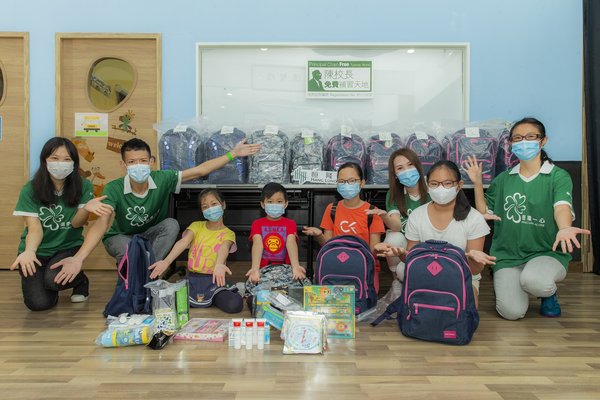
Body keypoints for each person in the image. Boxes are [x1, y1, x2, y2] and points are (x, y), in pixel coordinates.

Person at [49, 137, 261, 281]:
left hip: (150, 236)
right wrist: (79, 258)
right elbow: (101, 223)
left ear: (151, 162)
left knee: (171, 224)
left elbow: (200, 170)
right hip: (121, 237)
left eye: (143, 160)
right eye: (132, 162)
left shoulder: (162, 178)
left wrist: (233, 154)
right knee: (130, 249)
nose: (138, 165)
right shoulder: (113, 188)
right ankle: (141, 278)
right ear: (123, 165)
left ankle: (146, 274)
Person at [465, 117, 590, 319]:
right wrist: (478, 182)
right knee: (511, 312)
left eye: (530, 136)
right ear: (511, 144)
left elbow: (562, 207)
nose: (523, 142)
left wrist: (565, 227)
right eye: (517, 138)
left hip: (546, 253)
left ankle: (547, 292)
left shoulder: (558, 176)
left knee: (536, 282)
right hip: (508, 256)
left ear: (543, 141)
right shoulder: (504, 179)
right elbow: (485, 210)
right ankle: (515, 284)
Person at [10, 137, 112, 311]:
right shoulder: (30, 189)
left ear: (74, 163)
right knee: (39, 304)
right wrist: (29, 251)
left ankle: (80, 280)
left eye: (67, 159)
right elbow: (34, 229)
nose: (60, 164)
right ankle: (52, 281)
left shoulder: (84, 185)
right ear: (44, 161)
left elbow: (76, 223)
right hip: (38, 251)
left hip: (67, 247)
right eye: (54, 158)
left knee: (52, 280)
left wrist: (86, 208)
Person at [376, 160, 495, 307]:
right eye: (434, 184)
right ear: (427, 185)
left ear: (459, 185)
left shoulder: (474, 218)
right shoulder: (417, 215)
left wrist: (474, 260)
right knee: (404, 272)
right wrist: (401, 254)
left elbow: (475, 270)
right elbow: (413, 261)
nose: (440, 188)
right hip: (427, 274)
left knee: (463, 314)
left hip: (460, 277)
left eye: (447, 183)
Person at [147, 189, 243, 313]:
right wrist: (166, 261)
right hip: (192, 280)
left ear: (223, 205)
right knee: (157, 302)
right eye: (205, 206)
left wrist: (219, 264)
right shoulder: (196, 226)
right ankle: (203, 300)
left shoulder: (229, 233)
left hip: (215, 280)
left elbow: (224, 248)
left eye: (214, 204)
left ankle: (216, 296)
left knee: (234, 305)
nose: (210, 209)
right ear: (202, 211)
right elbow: (183, 242)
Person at [303, 162, 386, 291]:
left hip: (363, 268)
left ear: (362, 183)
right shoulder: (332, 209)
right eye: (341, 181)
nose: (346, 185)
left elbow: (372, 253)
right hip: (336, 265)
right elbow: (328, 246)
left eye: (351, 180)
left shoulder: (373, 212)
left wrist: (379, 249)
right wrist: (319, 235)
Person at [367, 148, 429, 282]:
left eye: (410, 165)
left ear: (418, 166)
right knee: (393, 239)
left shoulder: (433, 188)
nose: (407, 171)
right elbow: (396, 226)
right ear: (395, 174)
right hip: (406, 243)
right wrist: (384, 216)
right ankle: (396, 280)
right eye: (400, 168)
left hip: (428, 240)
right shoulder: (393, 194)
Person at [245, 182, 306, 283]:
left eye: (279, 201)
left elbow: (291, 242)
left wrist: (295, 266)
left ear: (285, 204)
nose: (275, 205)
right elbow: (257, 244)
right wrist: (255, 268)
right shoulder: (257, 224)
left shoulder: (290, 224)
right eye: (270, 201)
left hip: (285, 268)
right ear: (262, 204)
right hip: (263, 269)